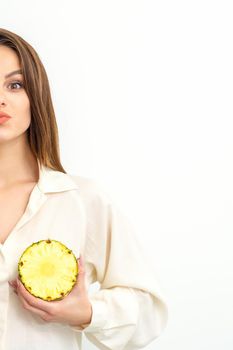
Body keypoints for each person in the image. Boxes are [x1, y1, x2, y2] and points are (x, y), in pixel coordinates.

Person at [0, 28, 168, 350]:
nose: (1, 98)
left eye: (15, 84)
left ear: (36, 95)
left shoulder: (83, 201)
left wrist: (88, 312)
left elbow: (150, 311)